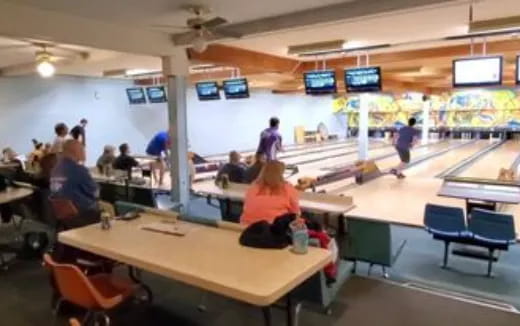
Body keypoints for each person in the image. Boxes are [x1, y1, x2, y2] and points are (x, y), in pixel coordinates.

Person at [50, 139, 100, 228]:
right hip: (81, 212)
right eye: (82, 149)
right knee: (108, 208)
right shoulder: (78, 169)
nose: (84, 152)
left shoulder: (56, 169)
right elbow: (95, 192)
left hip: (63, 214)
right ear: (75, 151)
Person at [240, 160, 300, 225]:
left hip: (246, 228)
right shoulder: (287, 188)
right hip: (273, 230)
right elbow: (295, 213)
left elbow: (247, 206)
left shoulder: (253, 186)